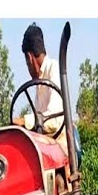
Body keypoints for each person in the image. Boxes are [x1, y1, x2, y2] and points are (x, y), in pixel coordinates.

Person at [14, 23, 69, 156]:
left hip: (61, 149)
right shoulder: (39, 83)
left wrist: (23, 122)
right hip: (46, 150)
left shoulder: (54, 70)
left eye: (27, 63)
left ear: (29, 58)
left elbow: (55, 120)